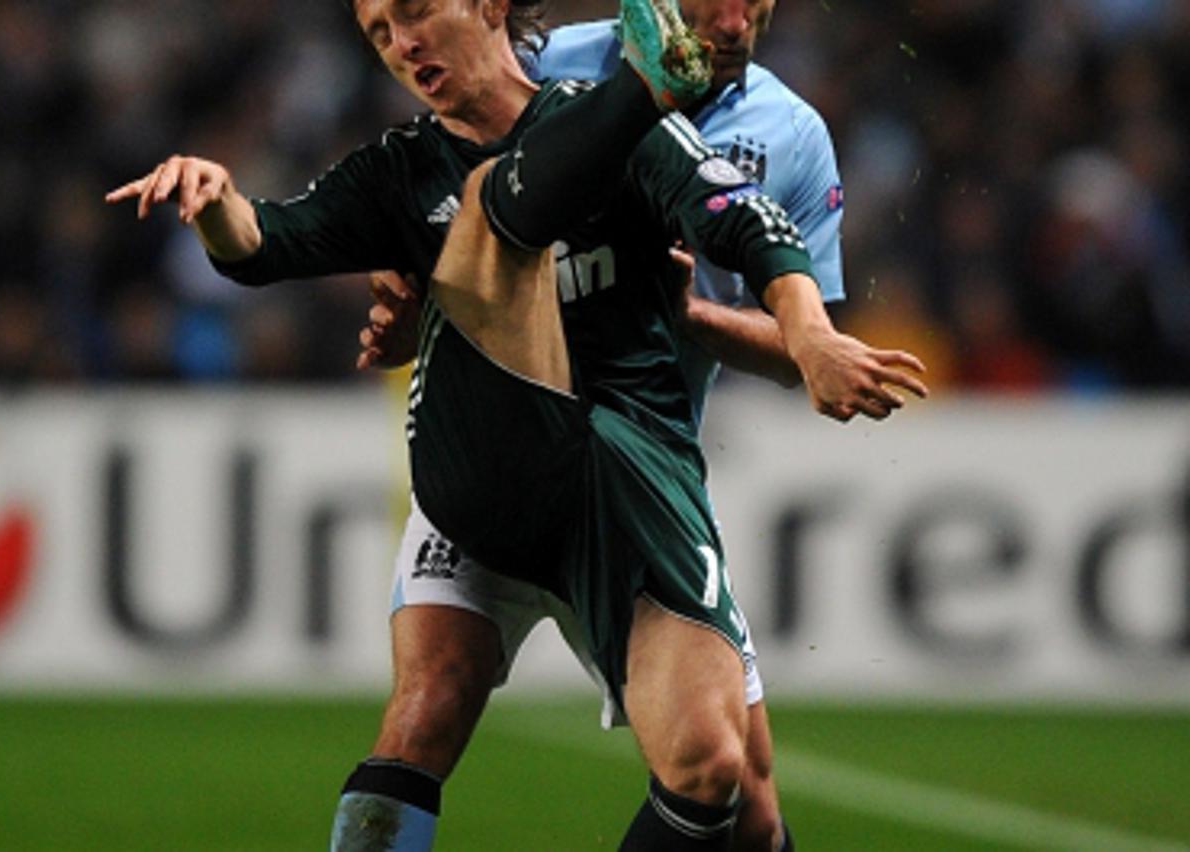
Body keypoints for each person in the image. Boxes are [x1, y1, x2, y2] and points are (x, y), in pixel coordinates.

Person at [106, 0, 926, 848]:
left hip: (624, 477)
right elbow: (269, 241)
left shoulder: (716, 124)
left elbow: (749, 226)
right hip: (484, 477)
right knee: (424, 711)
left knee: (730, 786)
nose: (404, 44)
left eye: (417, 13)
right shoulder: (406, 166)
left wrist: (810, 336)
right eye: (380, 33)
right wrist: (215, 203)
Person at [354, 1, 861, 848]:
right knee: (426, 708)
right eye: (712, 1)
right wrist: (412, 297)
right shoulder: (543, 66)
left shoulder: (794, 134)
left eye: (754, 1)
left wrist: (694, 318)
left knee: (743, 798)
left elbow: (805, 353)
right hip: (502, 455)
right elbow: (442, 212)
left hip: (631, 490)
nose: (735, 22)